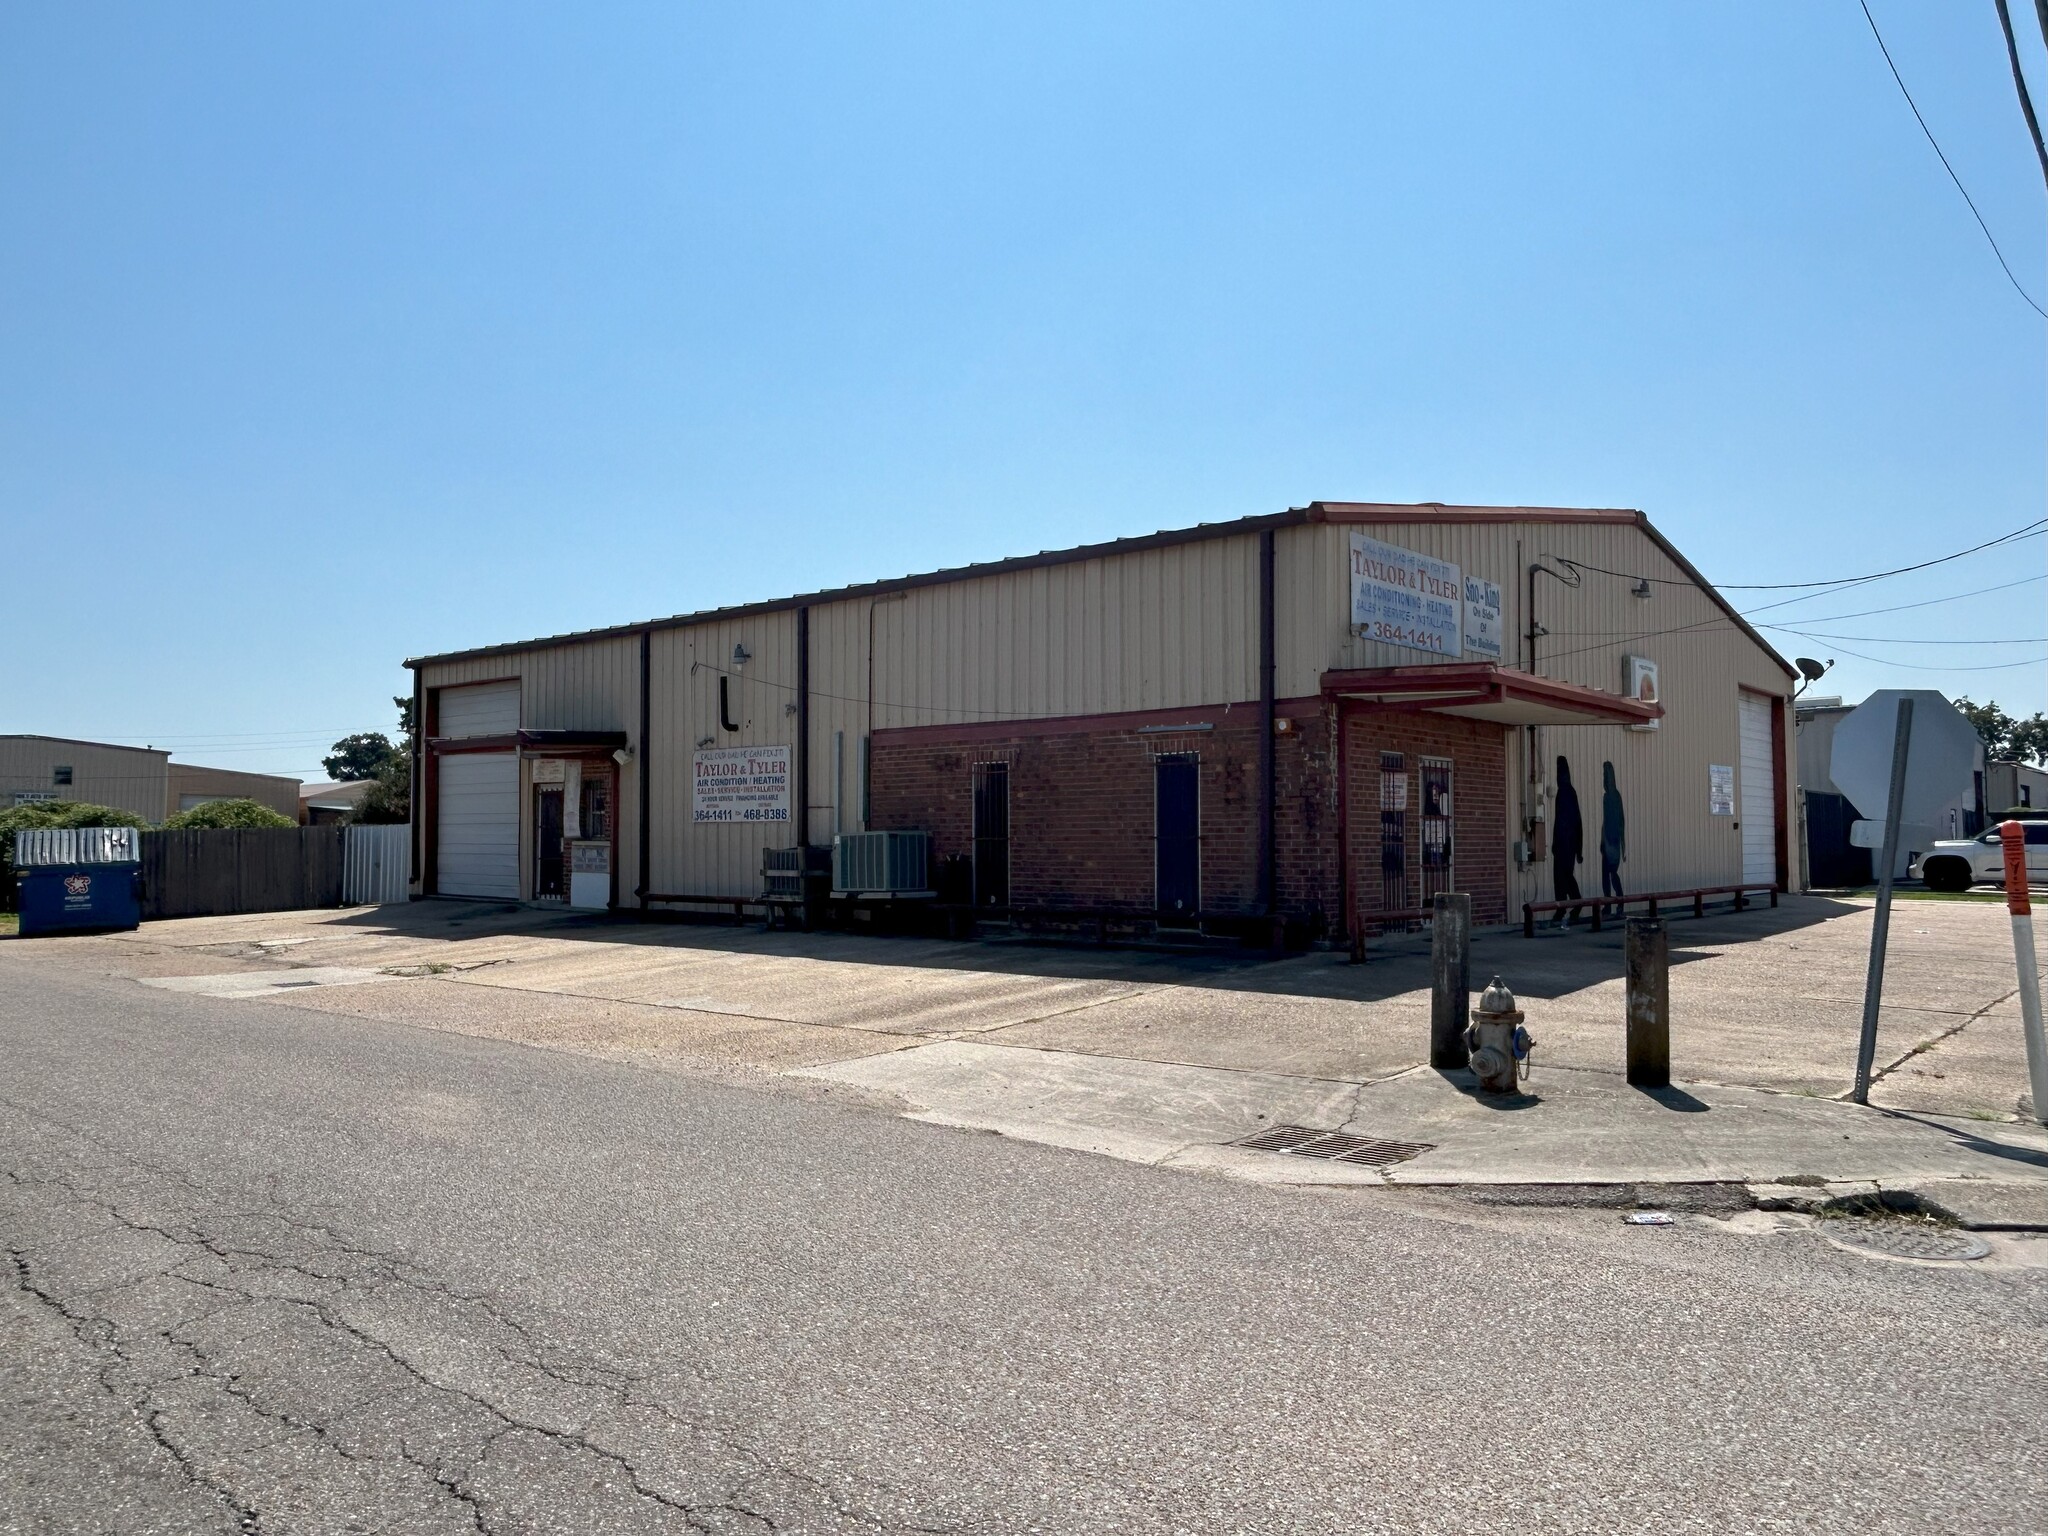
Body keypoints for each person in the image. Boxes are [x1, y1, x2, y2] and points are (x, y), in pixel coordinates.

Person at [1551, 756, 1583, 928]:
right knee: (1564, 875)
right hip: (1565, 843)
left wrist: (1577, 847)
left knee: (1562, 876)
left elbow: (1573, 822)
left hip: (1565, 843)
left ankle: (1565, 906)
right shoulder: (1567, 792)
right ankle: (1569, 905)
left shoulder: (1565, 792)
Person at [1600, 761, 1626, 918]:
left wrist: (1622, 845)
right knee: (1607, 874)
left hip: (1613, 841)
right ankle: (1609, 903)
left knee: (1611, 873)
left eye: (1606, 775)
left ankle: (1619, 901)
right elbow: (1605, 821)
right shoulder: (1607, 796)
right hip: (1607, 841)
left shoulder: (1614, 796)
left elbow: (1620, 821)